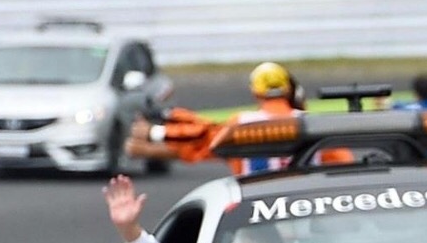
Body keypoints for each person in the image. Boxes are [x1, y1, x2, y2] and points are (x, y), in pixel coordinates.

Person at [130, 61, 306, 177]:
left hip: (254, 207)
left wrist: (155, 133)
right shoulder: (311, 124)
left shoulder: (241, 124)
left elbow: (204, 138)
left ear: (255, 91)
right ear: (289, 90)